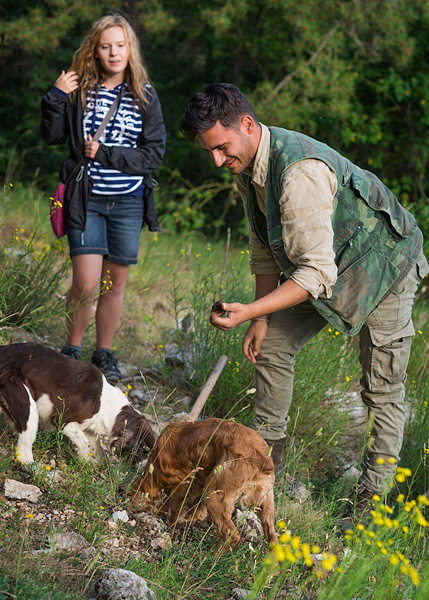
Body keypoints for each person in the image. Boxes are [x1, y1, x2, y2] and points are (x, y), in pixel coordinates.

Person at [180, 83, 429, 510]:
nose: (218, 161)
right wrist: (258, 319)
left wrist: (249, 311)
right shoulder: (247, 167)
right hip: (328, 266)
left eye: (221, 148)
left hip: (383, 267)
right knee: (271, 343)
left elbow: (314, 273)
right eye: (210, 153)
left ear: (246, 124)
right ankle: (261, 467)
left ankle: (371, 502)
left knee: (381, 389)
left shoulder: (299, 173)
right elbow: (264, 248)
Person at [41, 15, 166, 382]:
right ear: (95, 50)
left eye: (120, 45)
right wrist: (55, 96)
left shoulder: (145, 94)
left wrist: (108, 153)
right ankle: (72, 349)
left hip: (127, 201)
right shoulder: (80, 90)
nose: (114, 52)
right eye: (106, 45)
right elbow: (51, 136)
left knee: (115, 284)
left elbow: (153, 154)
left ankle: (104, 353)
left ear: (131, 49)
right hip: (86, 198)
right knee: (87, 283)